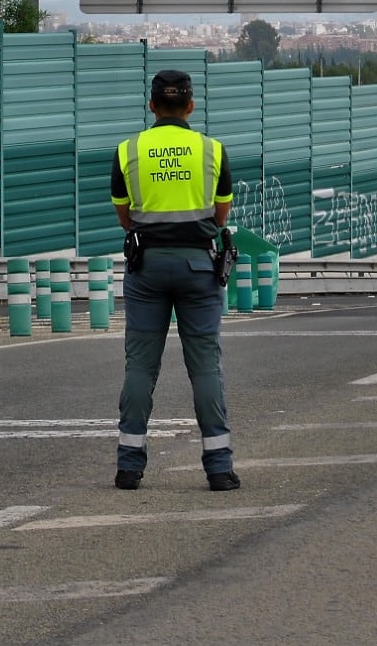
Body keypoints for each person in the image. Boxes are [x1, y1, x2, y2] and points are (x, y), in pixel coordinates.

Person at [111, 69, 238, 492]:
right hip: (199, 268)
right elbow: (220, 217)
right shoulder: (212, 151)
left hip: (146, 266)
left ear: (151, 106)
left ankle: (129, 465)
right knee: (204, 366)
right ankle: (219, 467)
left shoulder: (129, 149)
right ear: (190, 106)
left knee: (140, 365)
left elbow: (123, 215)